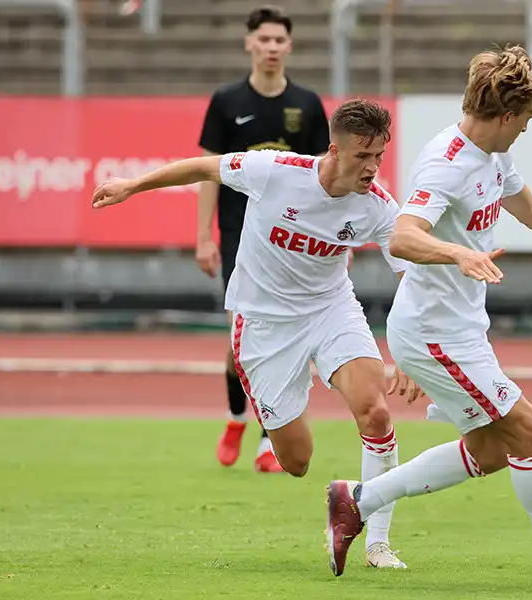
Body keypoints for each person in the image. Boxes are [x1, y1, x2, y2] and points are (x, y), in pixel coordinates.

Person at [324, 45, 532, 585]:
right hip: (435, 333)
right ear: (506, 114)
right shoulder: (447, 161)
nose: (526, 131)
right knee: (529, 432)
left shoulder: (492, 155)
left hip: (459, 330)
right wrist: (460, 253)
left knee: (492, 448)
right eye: (526, 121)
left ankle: (357, 500)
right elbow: (405, 235)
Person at [92, 99, 415, 571]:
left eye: (379, 157)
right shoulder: (274, 171)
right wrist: (133, 186)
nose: (372, 168)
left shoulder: (380, 207)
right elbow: (202, 166)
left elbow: (408, 274)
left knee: (375, 411)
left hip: (330, 310)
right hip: (263, 325)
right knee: (298, 460)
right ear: (333, 150)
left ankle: (374, 539)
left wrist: (406, 348)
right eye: (362, 156)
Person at [196, 5, 331, 474]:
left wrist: (332, 242)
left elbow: (324, 183)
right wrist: (203, 237)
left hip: (293, 247)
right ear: (249, 43)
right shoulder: (226, 102)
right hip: (240, 242)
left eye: (280, 40)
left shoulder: (308, 105)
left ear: (289, 46)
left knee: (288, 345)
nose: (272, 47)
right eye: (264, 39)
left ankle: (265, 439)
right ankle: (236, 419)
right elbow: (208, 174)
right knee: (239, 349)